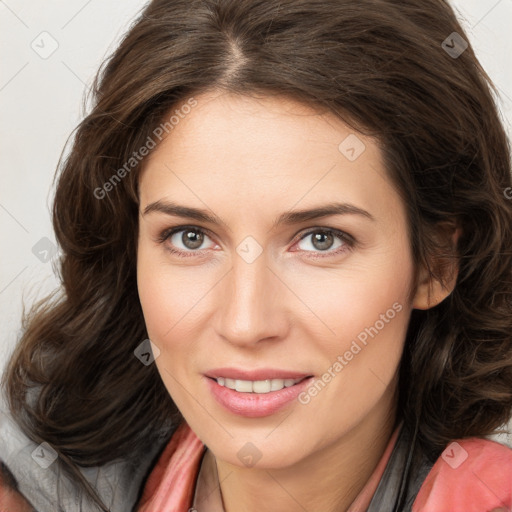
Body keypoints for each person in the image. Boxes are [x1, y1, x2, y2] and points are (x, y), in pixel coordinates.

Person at [1, 0, 512, 510]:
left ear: (437, 262)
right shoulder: (41, 471)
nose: (245, 324)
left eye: (321, 239)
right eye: (190, 237)